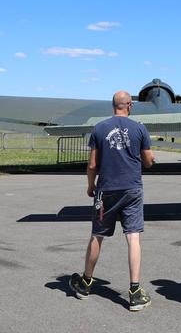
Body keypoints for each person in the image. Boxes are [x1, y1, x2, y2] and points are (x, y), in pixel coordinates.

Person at [69, 90, 155, 311]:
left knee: (97, 235)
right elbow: (148, 162)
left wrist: (90, 185)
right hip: (132, 189)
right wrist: (149, 156)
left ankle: (86, 283)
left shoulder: (99, 128)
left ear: (113, 106)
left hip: (106, 190)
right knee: (133, 237)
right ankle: (135, 291)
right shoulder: (140, 128)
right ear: (130, 106)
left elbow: (92, 165)